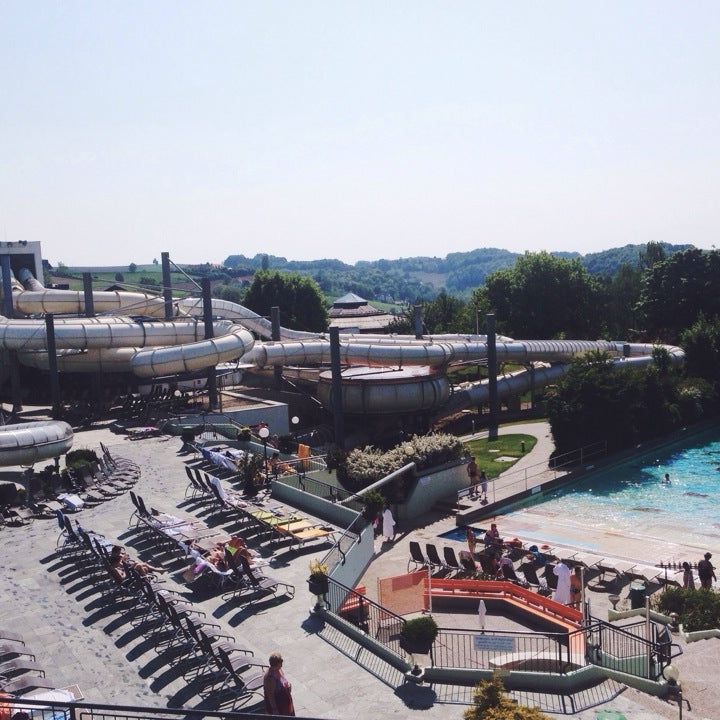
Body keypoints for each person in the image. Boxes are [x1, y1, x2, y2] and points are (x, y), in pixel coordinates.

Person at [263, 652, 295, 716]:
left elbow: (282, 680)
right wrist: (275, 709)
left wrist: (288, 685)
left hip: (284, 700)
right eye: (280, 663)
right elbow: (270, 695)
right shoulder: (270, 677)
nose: (282, 665)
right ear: (276, 664)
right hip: (278, 703)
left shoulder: (278, 669)